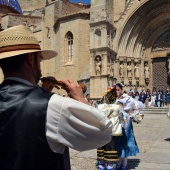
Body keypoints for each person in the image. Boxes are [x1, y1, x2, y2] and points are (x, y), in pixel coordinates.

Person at [0, 25, 113, 170]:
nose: (40, 67)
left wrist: (39, 93)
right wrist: (80, 98)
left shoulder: (47, 103)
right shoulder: (52, 105)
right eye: (40, 60)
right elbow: (102, 133)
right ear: (30, 59)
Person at [115, 83, 139, 170]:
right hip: (117, 124)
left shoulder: (127, 98)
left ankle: (124, 163)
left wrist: (121, 108)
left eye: (118, 90)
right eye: (115, 90)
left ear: (121, 90)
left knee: (125, 142)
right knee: (119, 143)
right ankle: (120, 161)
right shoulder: (115, 99)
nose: (117, 91)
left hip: (126, 124)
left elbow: (130, 108)